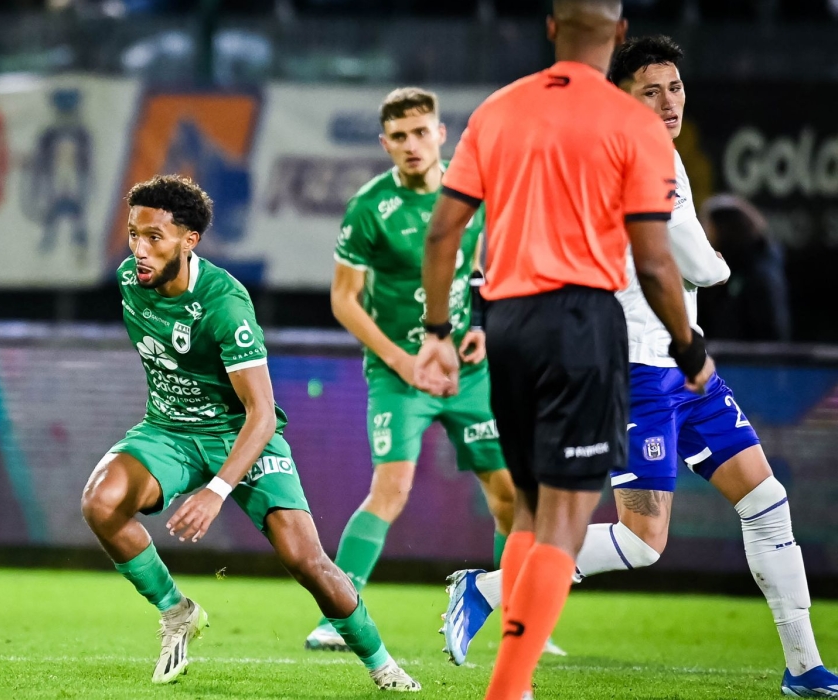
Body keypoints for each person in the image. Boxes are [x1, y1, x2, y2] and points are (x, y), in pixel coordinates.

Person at [440, 35, 838, 697]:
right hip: (636, 371)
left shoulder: (651, 151)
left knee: (766, 499)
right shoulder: (636, 152)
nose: (668, 101)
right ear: (622, 97)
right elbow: (696, 260)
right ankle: (486, 589)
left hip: (683, 366)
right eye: (651, 91)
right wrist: (719, 266)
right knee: (644, 539)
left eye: (675, 87)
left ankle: (804, 667)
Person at [414, 2, 715, 699]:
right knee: (565, 520)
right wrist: (688, 346)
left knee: (528, 506)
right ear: (618, 34)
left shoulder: (499, 110)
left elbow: (444, 233)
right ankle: (508, 688)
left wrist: (437, 333)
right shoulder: (633, 126)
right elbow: (655, 261)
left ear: (551, 29)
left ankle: (508, 669)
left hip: (509, 324)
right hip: (583, 324)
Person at [79, 174, 420, 692]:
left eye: (154, 237)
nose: (139, 250)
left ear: (189, 241)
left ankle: (382, 664)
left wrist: (217, 490)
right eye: (133, 234)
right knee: (101, 504)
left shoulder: (225, 303)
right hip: (170, 430)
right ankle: (177, 611)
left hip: (240, 434)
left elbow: (261, 413)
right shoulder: (131, 280)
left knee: (305, 560)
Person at [304, 87, 526, 654]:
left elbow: (482, 267)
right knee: (391, 488)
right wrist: (400, 359)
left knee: (508, 494)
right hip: (398, 373)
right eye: (399, 136)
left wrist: (482, 326)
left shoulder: (470, 192)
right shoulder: (369, 208)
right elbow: (344, 300)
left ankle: (516, 619)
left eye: (421, 132)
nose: (411, 144)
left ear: (441, 134)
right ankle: (338, 616)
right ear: (384, 144)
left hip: (466, 372)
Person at [698, 194, 792, 342]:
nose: (704, 234)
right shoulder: (722, 272)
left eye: (708, 227)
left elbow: (771, 333)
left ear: (725, 229)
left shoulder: (760, 275)